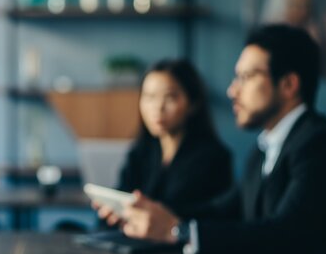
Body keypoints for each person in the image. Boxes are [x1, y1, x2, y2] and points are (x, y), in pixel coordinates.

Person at [114, 25, 326, 254]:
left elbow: (285, 234)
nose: (233, 90)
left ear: (289, 85)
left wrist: (178, 231)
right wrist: (153, 214)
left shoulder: (321, 146)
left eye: (246, 77)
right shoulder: (265, 148)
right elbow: (221, 209)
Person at [99, 59, 232, 226]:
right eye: (149, 97)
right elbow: (122, 193)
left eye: (170, 97)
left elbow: (207, 216)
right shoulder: (141, 151)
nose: (158, 107)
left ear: (193, 103)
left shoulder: (213, 158)